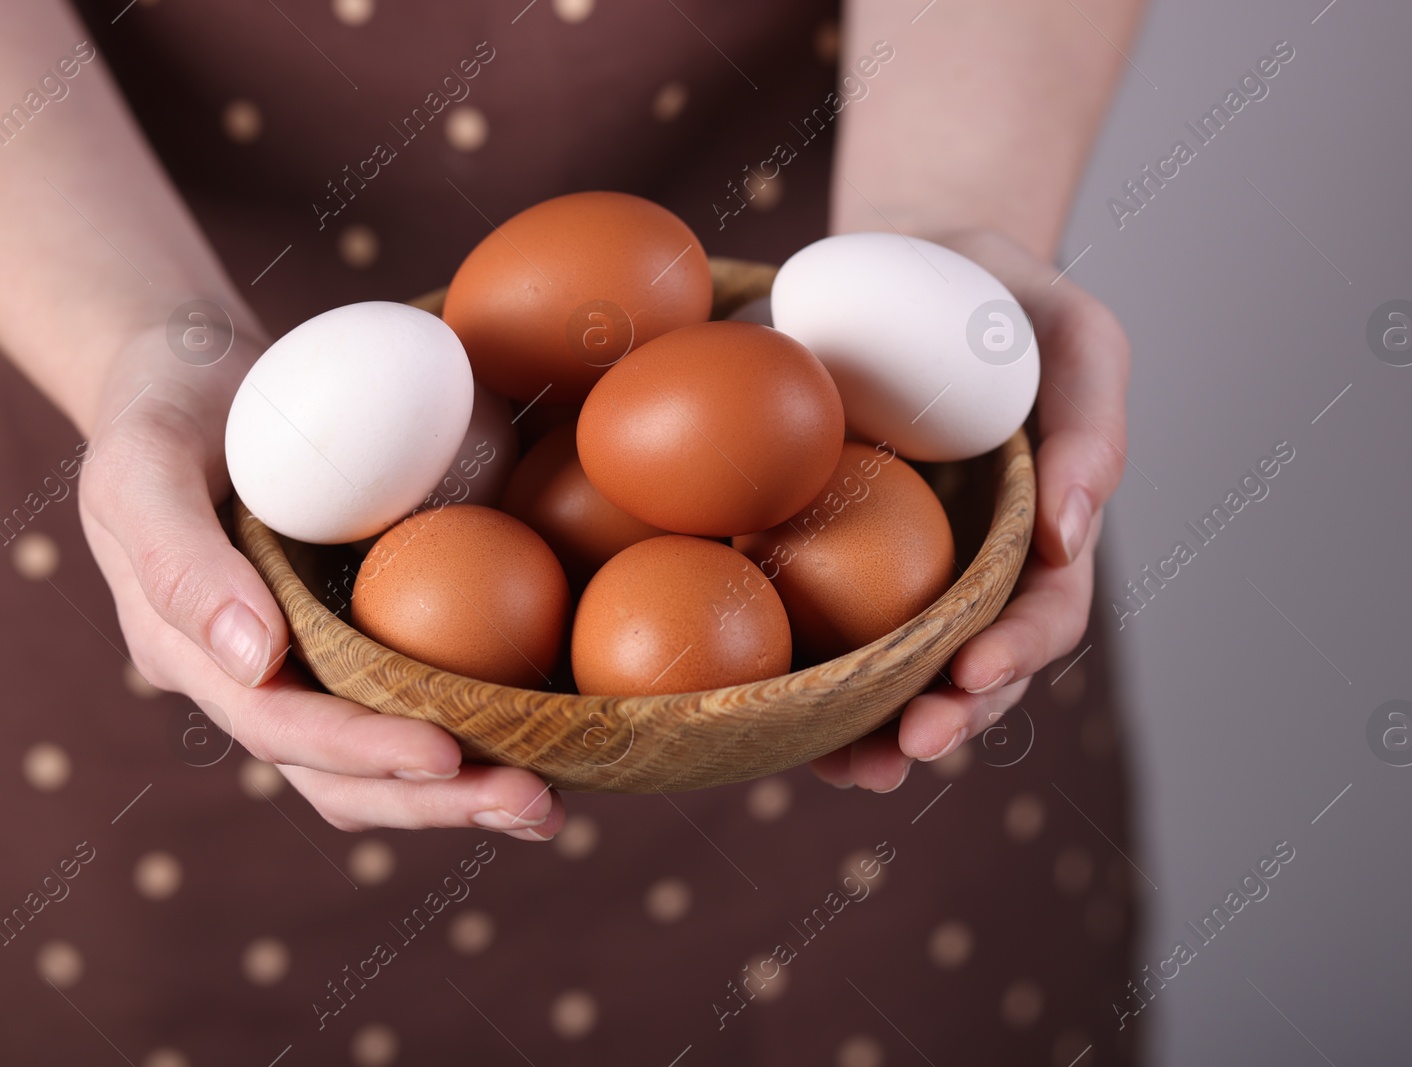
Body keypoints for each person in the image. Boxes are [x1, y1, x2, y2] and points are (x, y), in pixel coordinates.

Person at [0, 0, 1141, 1061]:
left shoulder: (819, 432)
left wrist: (944, 243)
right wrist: (146, 344)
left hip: (845, 399)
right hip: (127, 339)